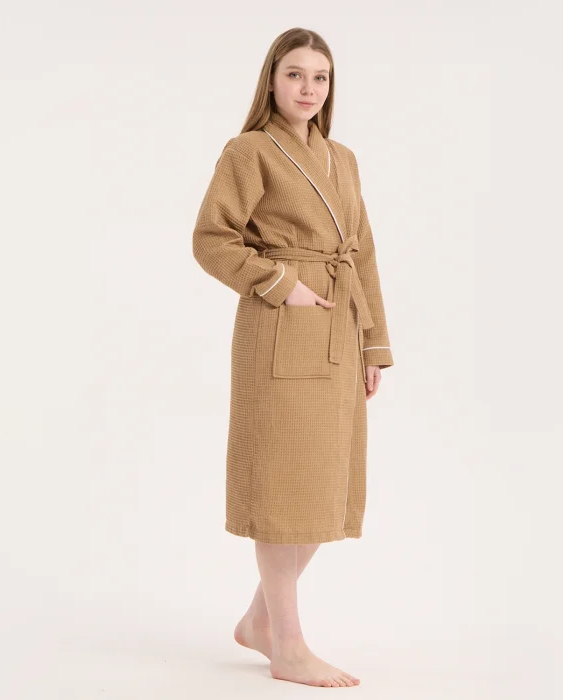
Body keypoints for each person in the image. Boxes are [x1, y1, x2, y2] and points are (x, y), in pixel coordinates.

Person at [192, 27, 394, 688]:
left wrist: (374, 343)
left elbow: (362, 253)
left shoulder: (343, 158)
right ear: (272, 80)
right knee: (283, 486)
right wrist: (282, 283)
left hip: (338, 331)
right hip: (279, 327)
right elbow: (211, 239)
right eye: (295, 75)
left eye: (320, 77)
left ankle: (259, 621)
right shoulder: (249, 151)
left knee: (322, 485)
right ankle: (289, 645)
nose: (309, 88)